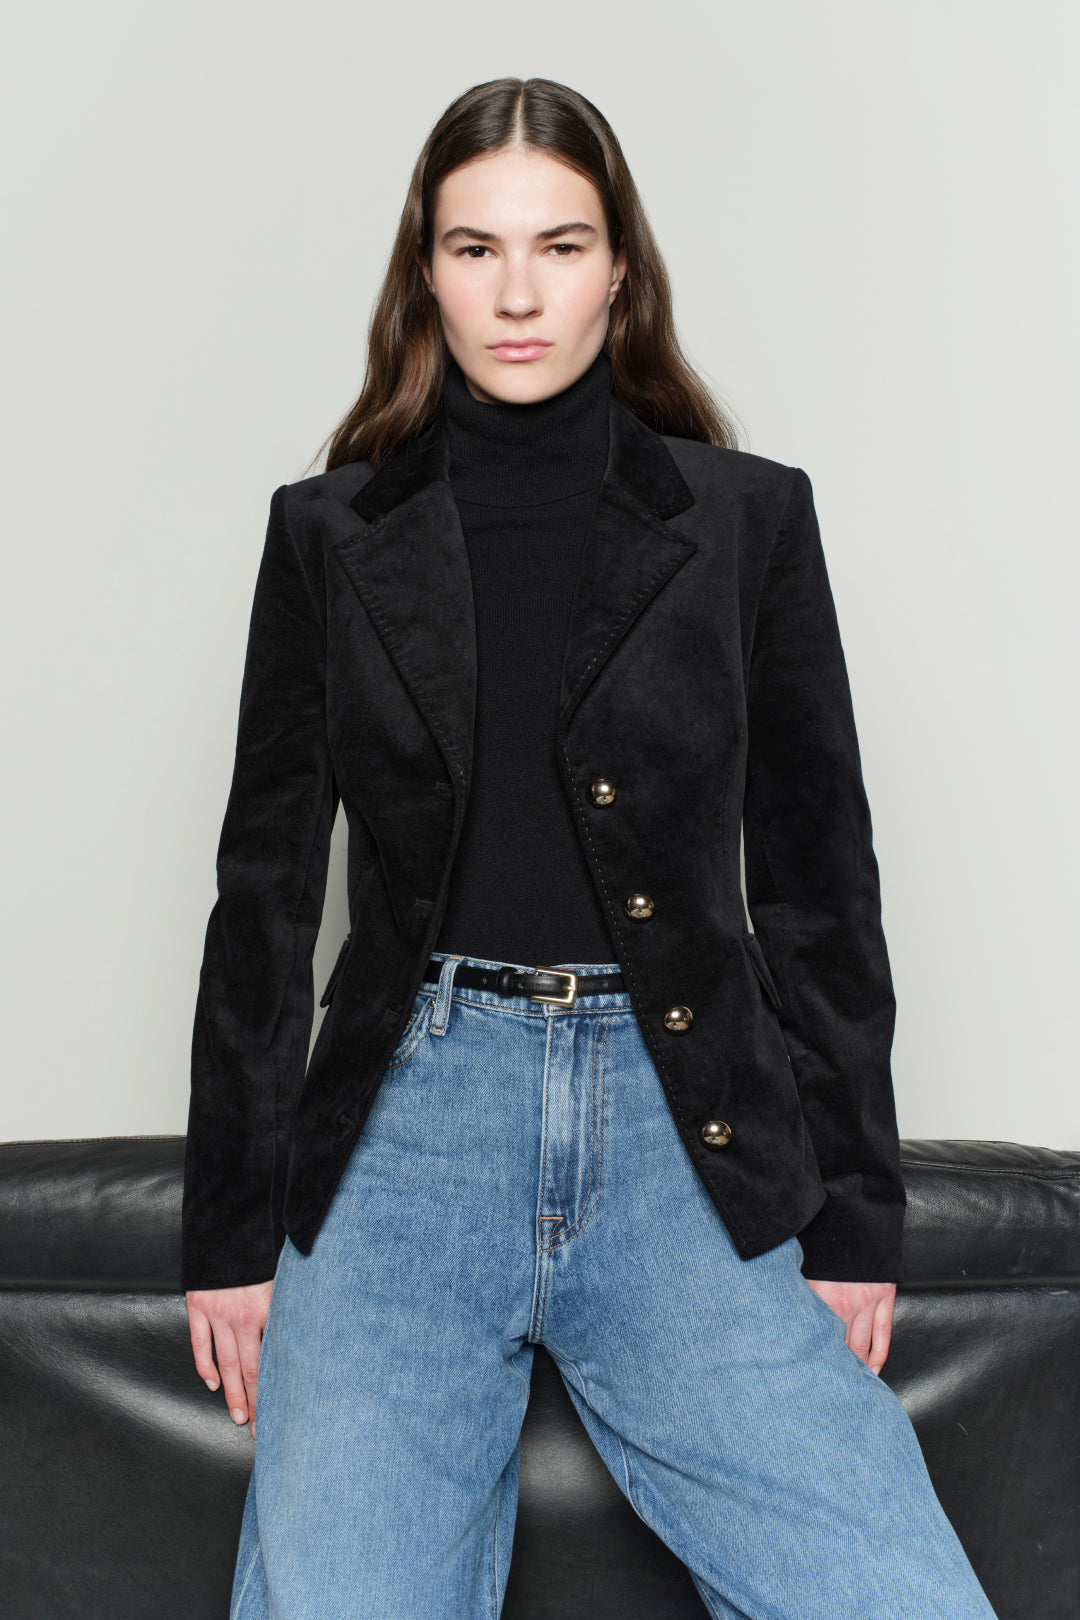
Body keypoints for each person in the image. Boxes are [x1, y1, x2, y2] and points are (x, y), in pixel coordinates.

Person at [181, 76, 998, 1619]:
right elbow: (263, 896)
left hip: (681, 1132)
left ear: (620, 267)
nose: (517, 292)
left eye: (558, 246)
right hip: (406, 1140)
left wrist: (856, 1220)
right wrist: (227, 1233)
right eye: (475, 248)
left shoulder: (750, 523)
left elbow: (820, 887)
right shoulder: (327, 535)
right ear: (425, 272)